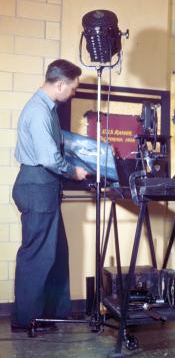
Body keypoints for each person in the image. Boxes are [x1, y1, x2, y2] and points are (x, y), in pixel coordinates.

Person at [11, 59, 88, 332]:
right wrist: (74, 172)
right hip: (37, 185)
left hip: (42, 187)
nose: (74, 93)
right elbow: (48, 158)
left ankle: (50, 314)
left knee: (54, 253)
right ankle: (26, 319)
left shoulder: (47, 108)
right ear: (60, 84)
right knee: (38, 256)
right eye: (74, 88)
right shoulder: (40, 112)